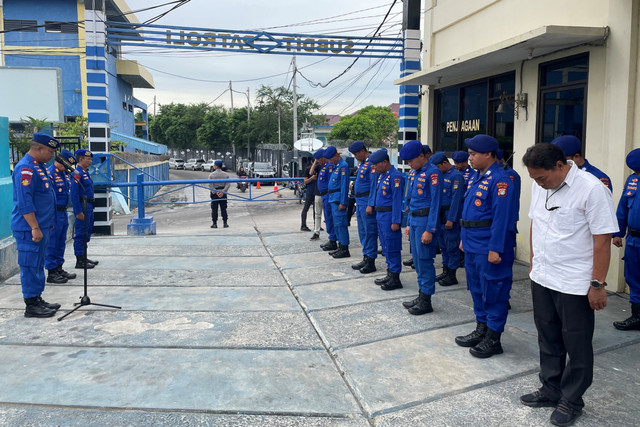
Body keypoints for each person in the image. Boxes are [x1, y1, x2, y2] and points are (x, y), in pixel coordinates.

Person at [521, 142, 618, 426]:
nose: (538, 183)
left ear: (561, 165)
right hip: (543, 276)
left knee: (576, 342)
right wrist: (534, 259)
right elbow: (535, 222)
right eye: (534, 179)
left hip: (574, 282)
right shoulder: (541, 185)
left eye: (541, 177)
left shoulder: (591, 189)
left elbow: (602, 239)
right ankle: (551, 388)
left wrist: (597, 284)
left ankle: (572, 399)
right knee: (547, 336)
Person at [455, 134, 515, 359]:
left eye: (473, 154)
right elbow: (469, 213)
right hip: (472, 242)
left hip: (488, 245)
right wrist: (463, 238)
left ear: (488, 154)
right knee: (477, 289)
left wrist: (495, 248)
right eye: (469, 154)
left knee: (494, 291)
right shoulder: (476, 177)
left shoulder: (500, 180)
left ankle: (493, 337)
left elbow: (501, 218)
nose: (469, 158)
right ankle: (481, 328)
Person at [11, 133, 62, 317]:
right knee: (30, 265)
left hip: (41, 226)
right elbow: (25, 201)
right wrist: (34, 227)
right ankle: (31, 305)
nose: (52, 155)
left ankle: (37, 298)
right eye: (50, 151)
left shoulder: (38, 167)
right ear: (38, 148)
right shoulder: (26, 168)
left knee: (38, 264)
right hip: (29, 228)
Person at [399, 141, 442, 313]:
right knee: (417, 260)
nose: (409, 164)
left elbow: (435, 204)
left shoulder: (433, 173)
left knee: (425, 261)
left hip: (425, 222)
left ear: (421, 156)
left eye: (411, 160)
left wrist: (430, 230)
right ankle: (421, 294)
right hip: (415, 220)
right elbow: (411, 201)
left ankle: (427, 300)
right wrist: (408, 223)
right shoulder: (414, 173)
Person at [612, 148, 640, 330]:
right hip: (634, 240)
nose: (636, 174)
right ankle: (637, 316)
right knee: (633, 278)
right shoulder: (632, 181)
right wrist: (617, 233)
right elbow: (623, 208)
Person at [369, 148, 404, 290]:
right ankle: (390, 273)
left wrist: (396, 220)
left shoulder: (395, 176)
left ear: (384, 162)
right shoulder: (383, 175)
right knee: (385, 246)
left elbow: (397, 200)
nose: (375, 167)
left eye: (376, 164)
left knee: (392, 246)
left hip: (390, 216)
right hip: (381, 215)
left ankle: (395, 277)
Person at [431, 152, 464, 287]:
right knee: (443, 246)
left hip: (450, 214)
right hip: (440, 214)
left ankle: (452, 274)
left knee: (452, 246)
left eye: (438, 166)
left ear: (445, 163)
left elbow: (456, 200)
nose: (437, 170)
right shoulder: (440, 175)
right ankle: (445, 270)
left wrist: (451, 219)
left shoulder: (456, 176)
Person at [44, 149, 77, 284]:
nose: (67, 167)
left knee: (60, 242)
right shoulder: (50, 173)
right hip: (54, 213)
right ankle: (52, 272)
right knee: (52, 243)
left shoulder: (63, 174)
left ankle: (59, 268)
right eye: (66, 164)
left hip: (63, 212)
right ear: (60, 160)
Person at [348, 141, 377, 274]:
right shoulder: (363, 164)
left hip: (366, 201)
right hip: (359, 200)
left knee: (369, 231)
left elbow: (373, 186)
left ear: (362, 151)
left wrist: (371, 204)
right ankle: (366, 256)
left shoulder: (371, 163)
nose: (355, 157)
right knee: (362, 230)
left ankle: (371, 260)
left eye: (355, 154)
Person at [71, 149, 99, 269]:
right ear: (81, 159)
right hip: (83, 206)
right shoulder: (77, 173)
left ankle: (84, 257)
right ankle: (80, 260)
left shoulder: (85, 172)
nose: (90, 161)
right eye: (88, 159)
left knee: (86, 233)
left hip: (89, 206)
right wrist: (78, 211)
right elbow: (74, 194)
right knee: (80, 234)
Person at [325, 146, 351, 258]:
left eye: (331, 159)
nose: (330, 161)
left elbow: (344, 186)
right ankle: (340, 246)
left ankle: (344, 248)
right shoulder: (336, 167)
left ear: (336, 155)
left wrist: (343, 202)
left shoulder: (343, 166)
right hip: (333, 198)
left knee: (341, 224)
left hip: (338, 199)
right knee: (336, 224)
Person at [318, 149, 337, 251]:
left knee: (330, 218)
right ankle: (331, 238)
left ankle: (333, 239)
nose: (318, 162)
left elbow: (331, 182)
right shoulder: (324, 166)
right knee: (328, 218)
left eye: (318, 159)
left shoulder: (329, 166)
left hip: (328, 195)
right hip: (324, 195)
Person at [309, 150, 325, 241]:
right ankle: (316, 232)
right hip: (317, 192)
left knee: (328, 214)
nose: (318, 160)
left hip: (326, 193)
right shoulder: (318, 166)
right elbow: (311, 173)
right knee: (317, 213)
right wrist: (315, 162)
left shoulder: (328, 166)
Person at [209, 160, 230, 228]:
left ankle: (214, 223)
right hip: (223, 193)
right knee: (223, 208)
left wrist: (215, 192)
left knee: (214, 209)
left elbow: (210, 185)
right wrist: (223, 191)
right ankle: (225, 223)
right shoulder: (226, 175)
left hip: (215, 194)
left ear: (216, 166)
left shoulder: (211, 175)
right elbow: (228, 184)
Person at [300, 159, 318, 232]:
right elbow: (305, 181)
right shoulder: (308, 170)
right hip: (310, 192)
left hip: (317, 191)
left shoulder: (319, 168)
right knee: (306, 208)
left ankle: (316, 225)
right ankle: (303, 225)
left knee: (316, 210)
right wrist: (311, 178)